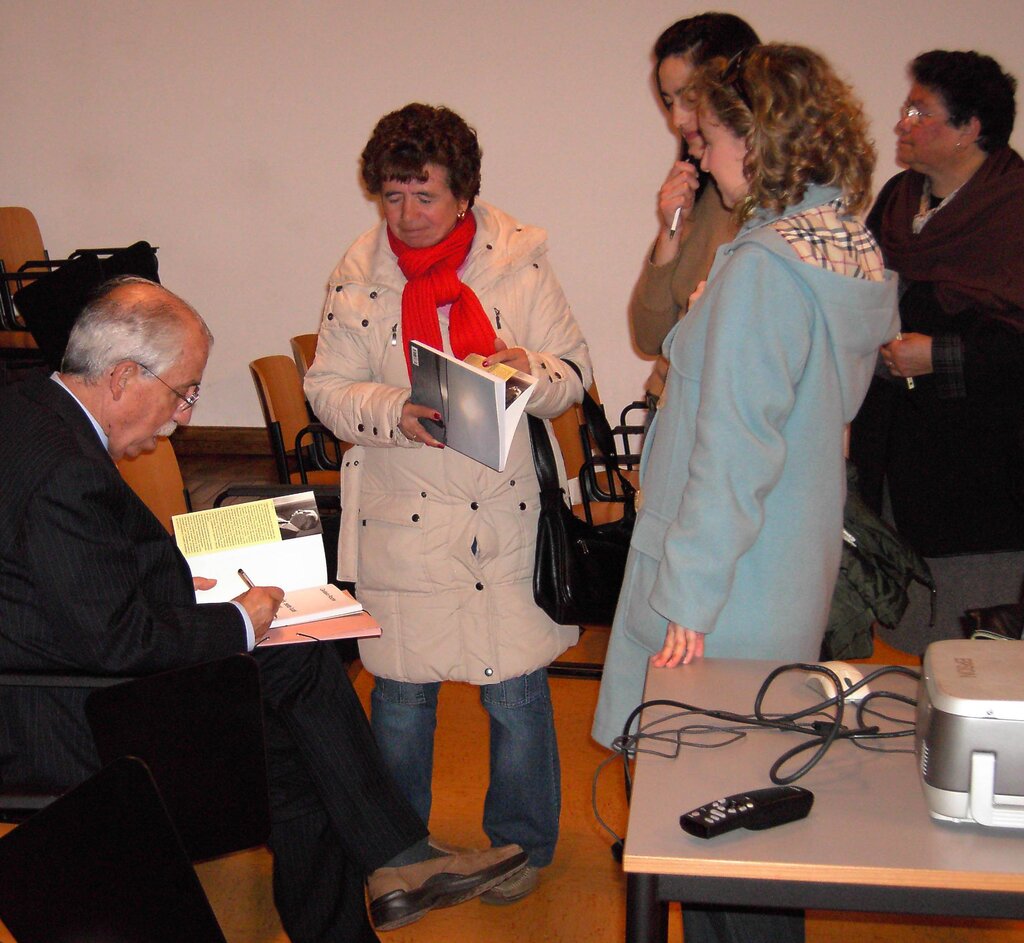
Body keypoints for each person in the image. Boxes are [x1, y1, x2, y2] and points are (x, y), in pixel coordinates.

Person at [0, 277, 526, 943]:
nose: (184, 416)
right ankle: (397, 859)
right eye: (182, 392)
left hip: (67, 669)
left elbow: (83, 577)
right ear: (124, 375)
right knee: (293, 664)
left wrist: (200, 579)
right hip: (63, 716)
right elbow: (116, 640)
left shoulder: (29, 408)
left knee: (298, 748)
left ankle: (395, 864)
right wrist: (240, 618)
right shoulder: (64, 469)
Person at [593, 45, 899, 940]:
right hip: (778, 567)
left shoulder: (766, 266)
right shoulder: (845, 247)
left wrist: (684, 597)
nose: (701, 147)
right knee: (752, 817)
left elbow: (733, 450)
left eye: (714, 132)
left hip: (718, 583)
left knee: (714, 825)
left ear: (764, 140)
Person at [304, 102, 591, 904]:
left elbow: (574, 371)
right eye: (392, 197)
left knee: (518, 687)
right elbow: (325, 388)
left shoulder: (520, 263)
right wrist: (395, 410)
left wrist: (522, 370)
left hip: (503, 508)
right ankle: (399, 844)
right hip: (402, 502)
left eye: (423, 197)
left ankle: (524, 845)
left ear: (463, 194)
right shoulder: (358, 272)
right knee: (401, 691)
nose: (407, 215)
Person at [850, 51, 1024, 653]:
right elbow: (864, 298)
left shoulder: (1015, 209)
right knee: (905, 645)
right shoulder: (899, 197)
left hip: (983, 480)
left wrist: (942, 355)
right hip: (895, 461)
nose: (902, 122)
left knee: (971, 657)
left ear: (970, 128)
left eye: (919, 110)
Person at [629, 12, 759, 401]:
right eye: (669, 102)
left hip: (719, 417)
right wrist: (670, 232)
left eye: (689, 98)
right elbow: (649, 337)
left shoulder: (779, 203)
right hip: (671, 406)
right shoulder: (697, 189)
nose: (677, 118)